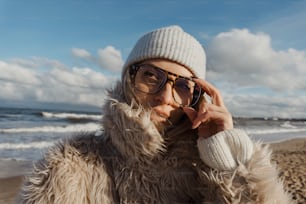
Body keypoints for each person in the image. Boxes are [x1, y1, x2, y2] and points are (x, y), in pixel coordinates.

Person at [19, 25, 293, 203]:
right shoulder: (71, 167)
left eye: (184, 86)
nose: (165, 97)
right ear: (129, 78)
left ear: (198, 96)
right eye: (151, 76)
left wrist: (225, 158)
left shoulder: (207, 166)